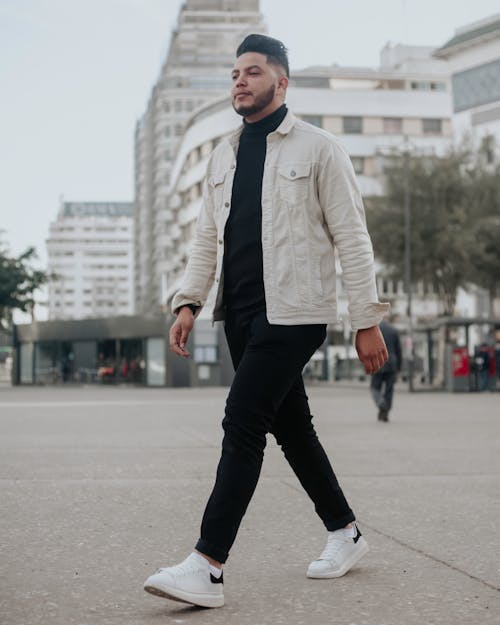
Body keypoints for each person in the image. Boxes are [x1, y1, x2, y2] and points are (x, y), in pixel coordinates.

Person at [144, 34, 389, 609]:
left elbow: (352, 236)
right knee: (293, 428)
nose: (239, 81)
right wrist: (189, 301)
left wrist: (366, 317)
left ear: (281, 82)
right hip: (241, 312)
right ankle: (345, 532)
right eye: (234, 73)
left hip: (295, 311)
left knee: (243, 422)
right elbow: (208, 236)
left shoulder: (318, 149)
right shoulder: (223, 155)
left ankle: (207, 565)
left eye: (252, 72)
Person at [370, 319, 402, 422]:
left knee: (374, 387)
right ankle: (385, 412)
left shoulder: (373, 330)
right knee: (389, 389)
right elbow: (398, 350)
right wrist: (399, 368)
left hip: (377, 362)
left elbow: (369, 349)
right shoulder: (393, 330)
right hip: (391, 363)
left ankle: (380, 402)